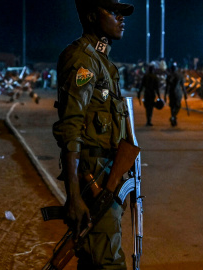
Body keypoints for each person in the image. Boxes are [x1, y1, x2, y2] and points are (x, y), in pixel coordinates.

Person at [52, 0, 134, 269]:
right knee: (109, 261)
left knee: (92, 260)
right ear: (90, 16)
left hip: (107, 175)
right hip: (92, 179)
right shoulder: (82, 59)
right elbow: (71, 126)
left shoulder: (102, 62)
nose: (120, 17)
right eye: (113, 11)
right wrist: (73, 196)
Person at [164, 62, 187, 126]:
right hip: (177, 93)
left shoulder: (169, 76)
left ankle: (173, 117)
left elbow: (167, 87)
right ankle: (173, 116)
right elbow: (183, 86)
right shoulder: (180, 75)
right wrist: (185, 94)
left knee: (172, 106)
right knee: (178, 106)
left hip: (171, 93)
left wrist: (165, 95)